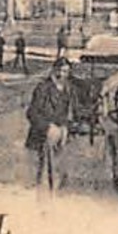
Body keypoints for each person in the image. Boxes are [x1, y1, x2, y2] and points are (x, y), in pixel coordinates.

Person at [25, 58, 74, 191]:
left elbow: (67, 112)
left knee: (58, 165)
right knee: (44, 170)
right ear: (54, 70)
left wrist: (65, 127)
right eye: (61, 71)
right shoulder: (43, 88)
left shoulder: (67, 89)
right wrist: (47, 127)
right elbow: (31, 113)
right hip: (43, 135)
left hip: (59, 134)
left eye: (66, 72)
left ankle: (55, 190)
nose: (63, 75)